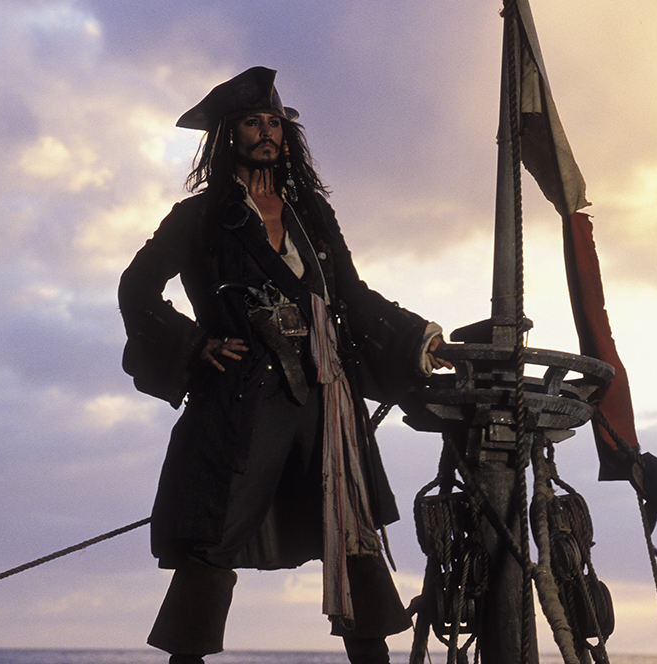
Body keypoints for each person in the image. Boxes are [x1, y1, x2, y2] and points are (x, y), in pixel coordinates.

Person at [118, 67, 451, 664]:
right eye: (253, 122)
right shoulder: (197, 219)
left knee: (351, 530)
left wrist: (420, 338)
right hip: (245, 399)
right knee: (214, 534)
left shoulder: (312, 214)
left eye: (274, 121)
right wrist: (197, 345)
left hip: (326, 394)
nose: (267, 131)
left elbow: (351, 294)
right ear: (229, 135)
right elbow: (136, 288)